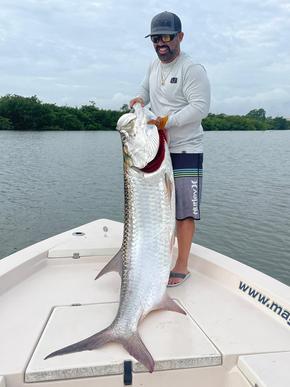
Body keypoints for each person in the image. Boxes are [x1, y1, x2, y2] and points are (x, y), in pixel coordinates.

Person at [130, 11, 210, 287]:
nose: (160, 43)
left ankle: (182, 264)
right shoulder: (154, 65)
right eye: (155, 38)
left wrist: (167, 121)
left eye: (166, 36)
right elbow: (144, 90)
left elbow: (201, 107)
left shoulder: (192, 69)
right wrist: (139, 100)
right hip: (157, 148)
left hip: (186, 148)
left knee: (184, 210)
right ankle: (157, 258)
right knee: (158, 208)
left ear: (180, 37)